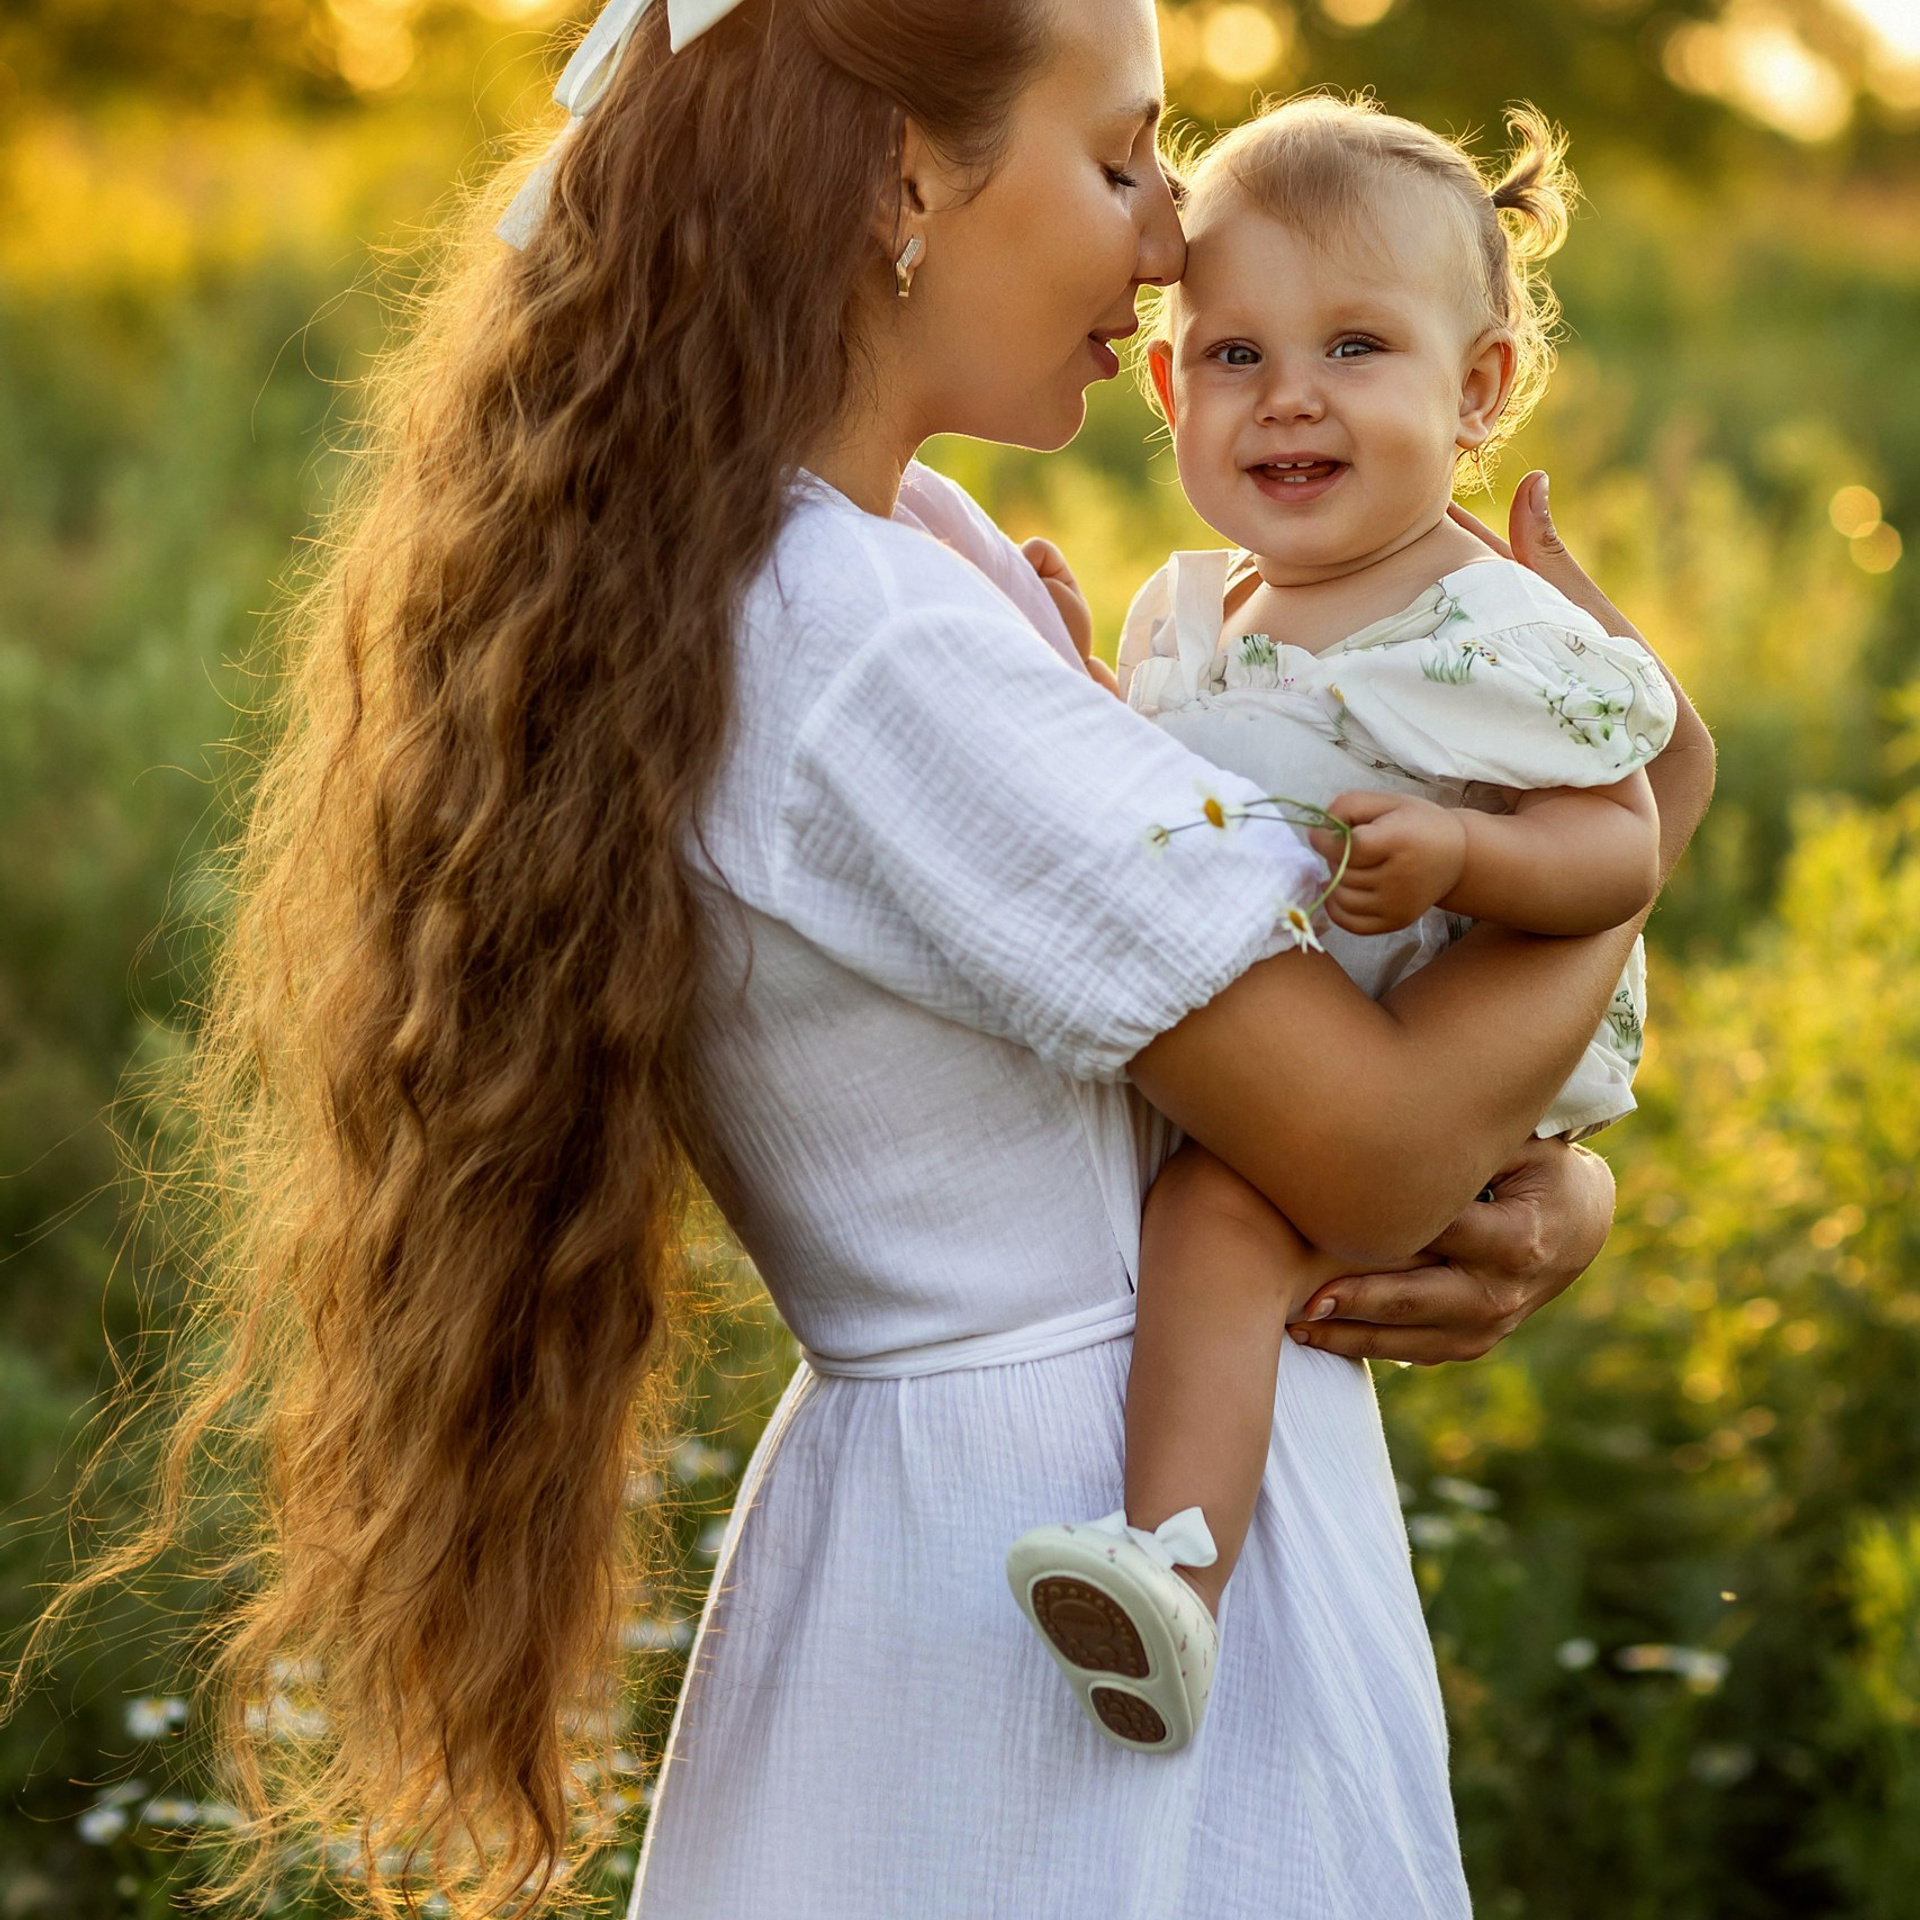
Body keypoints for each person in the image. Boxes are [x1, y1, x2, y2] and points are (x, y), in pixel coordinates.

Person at [14, 0, 1710, 1916]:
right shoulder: (866, 642)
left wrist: (1555, 1189)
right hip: (1046, 1571)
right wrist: (1627, 819)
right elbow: (1377, 1150)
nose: (1171, 237)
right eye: (1122, 157)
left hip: (1060, 1504)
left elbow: (1302, 1069)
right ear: (907, 176)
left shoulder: (904, 553)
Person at [1003, 95, 1685, 1759]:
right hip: (1312, 1038)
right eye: (1234, 353)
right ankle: (1176, 1553)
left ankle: (1169, 1566)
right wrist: (1076, 694)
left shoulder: (1485, 627)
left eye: (1357, 345)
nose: (1289, 394)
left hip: (1438, 1055)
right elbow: (1181, 812)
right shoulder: (1193, 614)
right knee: (1212, 1213)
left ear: (1479, 392)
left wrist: (1465, 850)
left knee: (1226, 1225)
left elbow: (1623, 843)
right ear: (1167, 388)